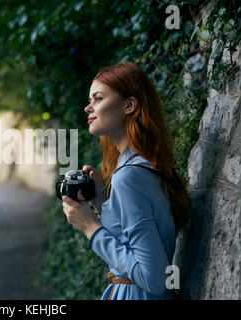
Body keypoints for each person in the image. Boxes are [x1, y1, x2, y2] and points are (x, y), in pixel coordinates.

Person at [61, 61, 191, 300]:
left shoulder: (129, 176)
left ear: (129, 105)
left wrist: (91, 228)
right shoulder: (143, 166)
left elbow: (153, 278)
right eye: (90, 100)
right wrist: (101, 202)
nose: (88, 108)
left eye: (98, 99)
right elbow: (132, 241)